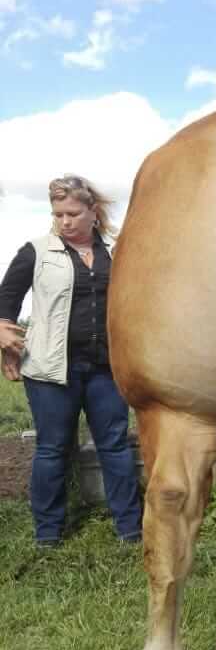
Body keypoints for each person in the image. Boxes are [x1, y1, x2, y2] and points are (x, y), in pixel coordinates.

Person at [0, 175, 142, 547]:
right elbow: (7, 297)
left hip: (106, 369)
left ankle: (130, 529)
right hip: (50, 371)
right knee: (52, 448)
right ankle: (48, 534)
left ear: (92, 213)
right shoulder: (36, 251)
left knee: (114, 444)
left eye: (73, 213)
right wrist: (3, 332)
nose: (64, 221)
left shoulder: (117, 250)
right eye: (58, 214)